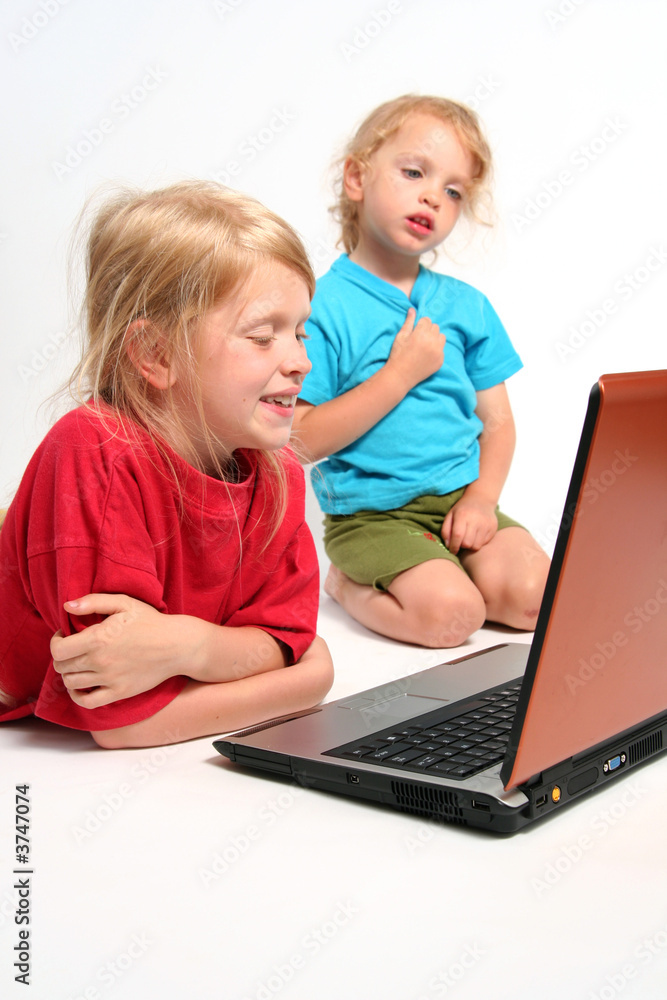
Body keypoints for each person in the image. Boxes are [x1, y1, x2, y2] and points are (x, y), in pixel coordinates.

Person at [0, 182, 333, 747]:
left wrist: (187, 647)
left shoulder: (278, 476)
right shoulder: (94, 454)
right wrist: (303, 680)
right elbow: (126, 719)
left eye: (300, 332)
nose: (300, 361)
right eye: (261, 337)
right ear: (155, 356)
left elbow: (287, 640)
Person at [292, 95, 550, 649]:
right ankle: (346, 584)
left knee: (537, 601)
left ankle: (453, 567)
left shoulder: (467, 305)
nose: (434, 194)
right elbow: (299, 441)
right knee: (454, 618)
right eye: (414, 172)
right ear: (357, 178)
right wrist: (399, 375)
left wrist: (481, 499)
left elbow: (498, 423)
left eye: (454, 190)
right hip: (373, 517)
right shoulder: (321, 307)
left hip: (461, 503)